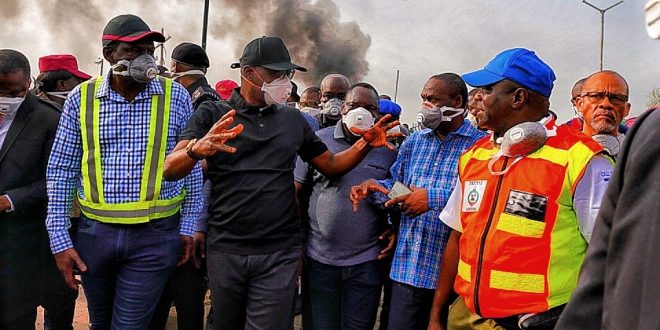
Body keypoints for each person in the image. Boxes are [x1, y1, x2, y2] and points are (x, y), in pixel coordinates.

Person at [163, 36, 400, 330]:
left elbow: (331, 165)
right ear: (249, 73)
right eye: (277, 73)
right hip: (227, 249)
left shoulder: (292, 120)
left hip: (279, 252)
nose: (285, 81)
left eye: (288, 74)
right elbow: (169, 169)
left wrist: (364, 144)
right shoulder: (213, 114)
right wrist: (196, 150)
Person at [428, 48, 612, 330]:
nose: (475, 97)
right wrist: (437, 315)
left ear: (518, 97)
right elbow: (457, 236)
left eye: (486, 89)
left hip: (541, 322)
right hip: (466, 317)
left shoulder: (582, 159)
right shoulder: (474, 156)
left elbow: (611, 257)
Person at [45, 15, 209, 328]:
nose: (145, 59)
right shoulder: (81, 99)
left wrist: (187, 225)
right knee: (100, 322)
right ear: (109, 55)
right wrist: (60, 240)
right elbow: (61, 169)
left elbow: (189, 168)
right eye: (133, 51)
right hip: (96, 235)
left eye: (149, 51)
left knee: (131, 324)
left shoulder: (175, 97)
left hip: (155, 235)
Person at [351, 73, 485, 330]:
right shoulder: (415, 141)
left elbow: (483, 198)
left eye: (433, 99)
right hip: (408, 268)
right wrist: (378, 188)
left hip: (453, 277)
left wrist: (431, 198)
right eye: (424, 98)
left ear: (457, 102)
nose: (426, 106)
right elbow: (399, 185)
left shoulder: (479, 146)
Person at [294, 82, 398, 329]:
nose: (361, 112)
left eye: (369, 107)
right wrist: (297, 242)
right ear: (342, 109)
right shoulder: (318, 142)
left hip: (367, 262)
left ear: (377, 114)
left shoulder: (390, 149)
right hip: (320, 260)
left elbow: (397, 192)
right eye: (354, 105)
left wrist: (394, 225)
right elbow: (297, 193)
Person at [554, 105, 660, 329]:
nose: (604, 105)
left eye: (614, 98)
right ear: (578, 104)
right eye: (595, 96)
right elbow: (604, 257)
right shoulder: (652, 130)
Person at [0, 49, 75, 330]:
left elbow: (58, 180)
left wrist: (9, 200)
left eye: (17, 92)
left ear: (29, 82)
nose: (9, 99)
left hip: (19, 247)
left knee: (15, 319)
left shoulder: (48, 120)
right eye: (2, 91)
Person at [149, 42, 220, 330]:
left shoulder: (202, 102)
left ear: (175, 67)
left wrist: (196, 223)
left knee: (185, 296)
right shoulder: (203, 97)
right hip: (174, 213)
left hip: (186, 214)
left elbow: (207, 168)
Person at [575, 70, 630, 158]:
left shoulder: (643, 155)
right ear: (580, 104)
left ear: (626, 109)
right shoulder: (561, 153)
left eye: (616, 98)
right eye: (595, 96)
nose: (605, 104)